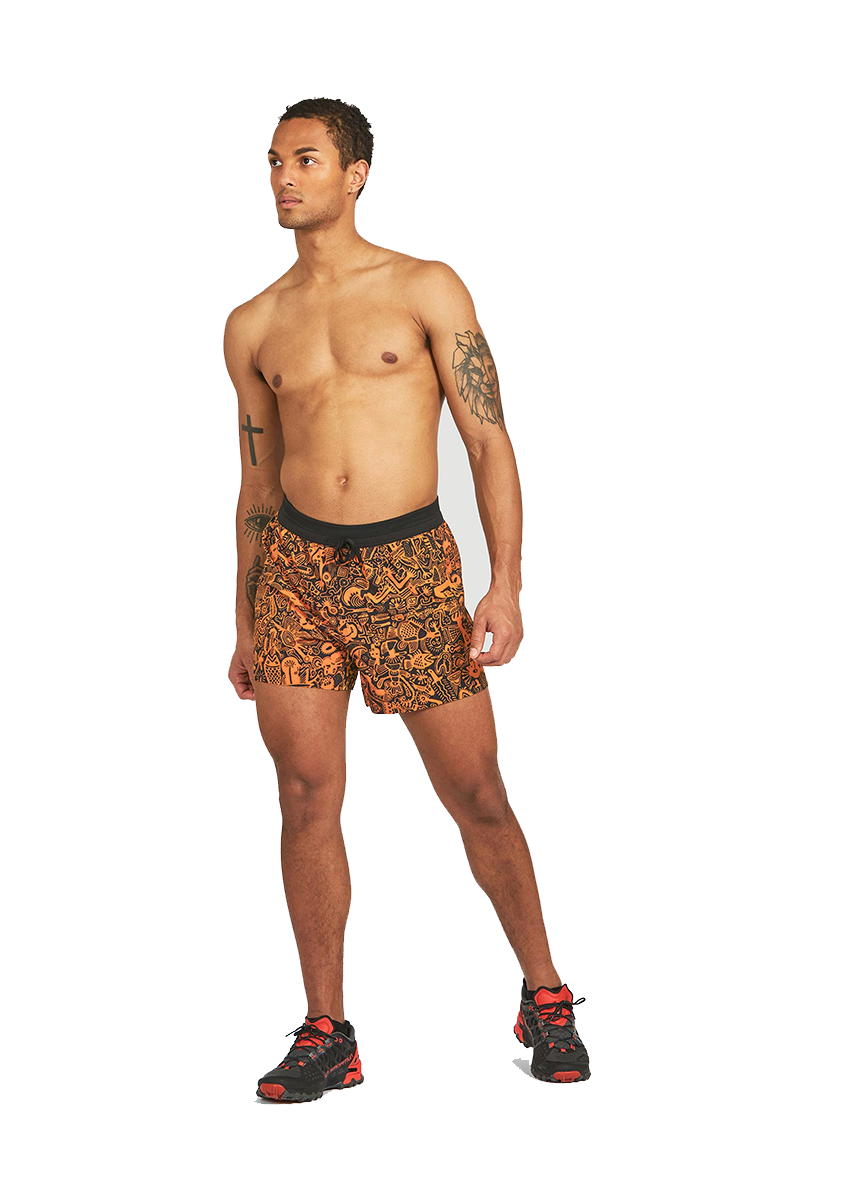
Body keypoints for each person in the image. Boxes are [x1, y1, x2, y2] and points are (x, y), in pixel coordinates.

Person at [225, 97, 589, 1101]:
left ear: (357, 173)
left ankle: (546, 994)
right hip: (294, 576)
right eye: (272, 162)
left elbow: (488, 440)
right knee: (305, 797)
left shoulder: (425, 286)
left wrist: (506, 582)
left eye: (305, 159)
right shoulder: (253, 323)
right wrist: (245, 617)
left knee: (477, 794)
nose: (283, 178)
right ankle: (327, 1031)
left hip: (409, 570)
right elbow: (256, 484)